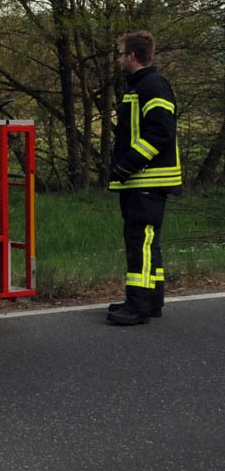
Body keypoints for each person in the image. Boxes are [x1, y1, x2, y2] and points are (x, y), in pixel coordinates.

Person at [107, 31, 182, 326]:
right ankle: (149, 300)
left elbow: (161, 133)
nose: (118, 58)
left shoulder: (152, 86)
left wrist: (127, 165)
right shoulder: (139, 86)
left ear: (133, 56)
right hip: (142, 181)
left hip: (147, 180)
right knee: (147, 243)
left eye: (120, 53)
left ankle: (138, 305)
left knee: (141, 242)